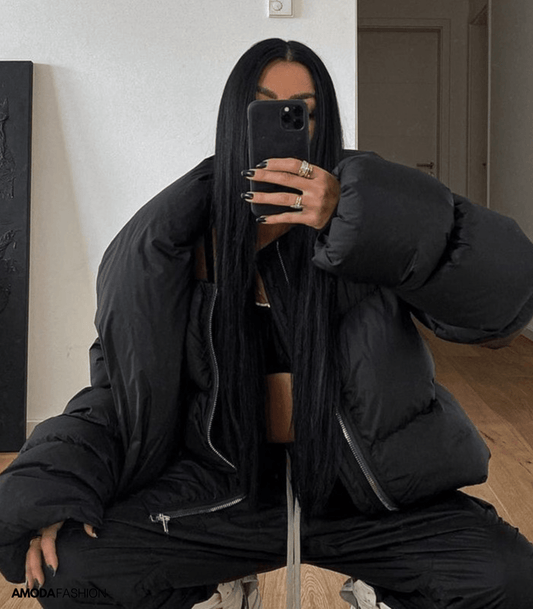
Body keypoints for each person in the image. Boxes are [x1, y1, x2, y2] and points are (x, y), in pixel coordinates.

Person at [1, 38, 533, 609]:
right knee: (68, 568)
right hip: (224, 489)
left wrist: (360, 220)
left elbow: (503, 303)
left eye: (303, 112)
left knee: (508, 579)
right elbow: (120, 394)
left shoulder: (374, 219)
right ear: (237, 121)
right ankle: (220, 590)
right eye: (266, 108)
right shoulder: (172, 240)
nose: (286, 128)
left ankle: (378, 591)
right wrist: (52, 488)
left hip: (363, 488)